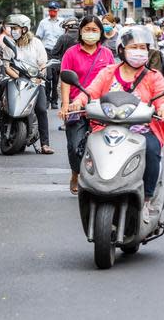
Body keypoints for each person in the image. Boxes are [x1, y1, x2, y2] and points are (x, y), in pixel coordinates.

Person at [69, 26, 164, 223]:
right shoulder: (108, 73)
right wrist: (78, 101)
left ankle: (147, 200)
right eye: (134, 47)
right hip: (106, 129)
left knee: (151, 150)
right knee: (89, 150)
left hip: (142, 132)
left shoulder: (153, 76)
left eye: (143, 47)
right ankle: (92, 189)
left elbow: (163, 97)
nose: (139, 51)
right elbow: (90, 92)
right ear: (122, 50)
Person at [59, 15, 115, 194]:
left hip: (101, 108)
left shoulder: (106, 54)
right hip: (77, 108)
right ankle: (75, 173)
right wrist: (66, 105)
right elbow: (65, 80)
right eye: (87, 29)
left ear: (101, 33)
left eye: (94, 30)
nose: (90, 33)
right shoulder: (71, 53)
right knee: (75, 147)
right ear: (80, 31)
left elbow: (113, 80)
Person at [1, 13, 54, 154]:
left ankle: (45, 144)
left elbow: (43, 63)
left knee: (41, 109)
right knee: (5, 107)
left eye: (15, 28)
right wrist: (16, 77)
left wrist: (39, 77)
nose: (13, 31)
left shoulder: (36, 43)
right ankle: (4, 134)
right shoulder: (9, 44)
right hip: (16, 80)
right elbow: (6, 66)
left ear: (24, 29)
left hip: (35, 82)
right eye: (11, 28)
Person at [35, 1, 65, 108]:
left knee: (56, 78)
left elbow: (65, 37)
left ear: (58, 11)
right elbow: (38, 37)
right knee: (47, 77)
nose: (52, 12)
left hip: (58, 53)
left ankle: (54, 101)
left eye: (54, 10)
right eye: (51, 10)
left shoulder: (62, 22)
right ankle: (47, 99)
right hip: (46, 52)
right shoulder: (43, 23)